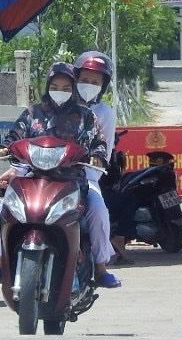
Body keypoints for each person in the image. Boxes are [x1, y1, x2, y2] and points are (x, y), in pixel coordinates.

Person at [0, 62, 122, 288]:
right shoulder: (33, 113)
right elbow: (15, 135)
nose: (60, 91)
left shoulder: (86, 116)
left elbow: (99, 142)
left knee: (97, 209)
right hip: (34, 175)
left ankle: (101, 268)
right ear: (47, 86)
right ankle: (0, 263)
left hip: (73, 177)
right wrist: (4, 147)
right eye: (55, 86)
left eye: (66, 87)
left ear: (73, 89)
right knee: (3, 208)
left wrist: (97, 156)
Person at [72, 50, 129, 267]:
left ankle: (101, 265)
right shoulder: (55, 108)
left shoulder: (104, 113)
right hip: (52, 174)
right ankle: (4, 261)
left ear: (102, 86)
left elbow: (104, 151)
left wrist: (94, 162)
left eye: (95, 81)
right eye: (84, 80)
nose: (89, 84)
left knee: (97, 209)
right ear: (75, 78)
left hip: (85, 177)